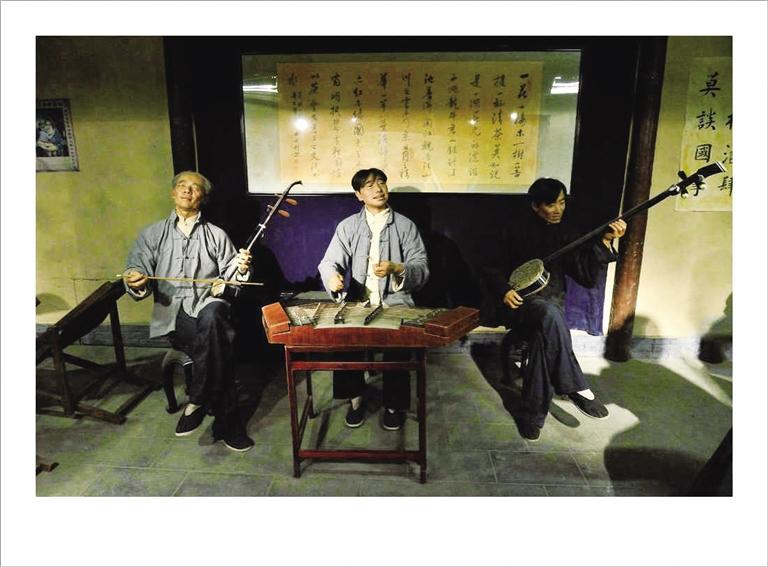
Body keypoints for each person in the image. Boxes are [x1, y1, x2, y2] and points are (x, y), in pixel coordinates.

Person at [483, 177, 626, 441]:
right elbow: (490, 266)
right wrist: (504, 290)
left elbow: (585, 276)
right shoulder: (513, 229)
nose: (558, 209)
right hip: (520, 305)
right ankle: (575, 385)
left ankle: (532, 416)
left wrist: (605, 241)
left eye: (562, 203)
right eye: (550, 205)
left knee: (543, 337)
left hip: (553, 310)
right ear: (535, 206)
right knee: (548, 314)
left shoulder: (567, 233)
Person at [123, 171, 255, 452]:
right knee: (219, 345)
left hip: (208, 304)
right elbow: (136, 267)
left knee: (213, 316)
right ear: (173, 193)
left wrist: (241, 269)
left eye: (195, 188)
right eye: (182, 186)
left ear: (202, 198)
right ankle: (229, 425)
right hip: (173, 313)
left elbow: (231, 277)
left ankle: (197, 399)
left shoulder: (216, 234)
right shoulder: (152, 234)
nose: (187, 191)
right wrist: (134, 278)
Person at [318, 168, 429, 430]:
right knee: (345, 340)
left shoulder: (405, 225)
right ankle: (355, 399)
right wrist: (333, 278)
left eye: (381, 183)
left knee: (398, 346)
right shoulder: (348, 226)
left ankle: (393, 405)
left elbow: (422, 267)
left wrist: (397, 268)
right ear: (359, 195)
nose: (377, 189)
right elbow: (329, 262)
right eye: (369, 185)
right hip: (358, 302)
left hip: (395, 301)